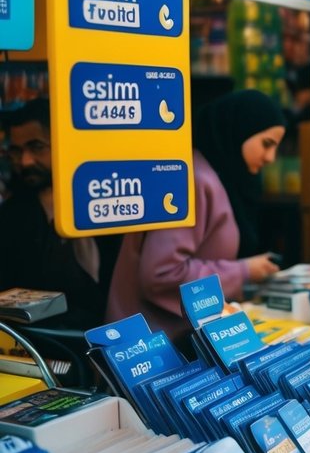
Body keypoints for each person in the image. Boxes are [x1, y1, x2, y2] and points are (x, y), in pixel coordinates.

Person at [106, 90, 285, 340]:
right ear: (238, 130)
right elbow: (161, 273)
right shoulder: (193, 181)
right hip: (154, 349)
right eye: (266, 144)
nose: (270, 158)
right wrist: (243, 272)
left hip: (178, 338)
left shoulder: (216, 176)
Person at [0, 99, 118, 325]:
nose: (25, 161)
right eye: (16, 151)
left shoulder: (110, 203)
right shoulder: (11, 216)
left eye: (36, 147)